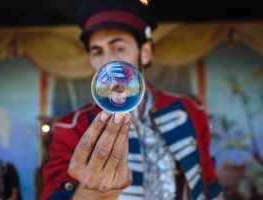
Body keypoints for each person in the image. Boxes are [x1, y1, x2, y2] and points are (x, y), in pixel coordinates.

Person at [42, 0, 224, 199]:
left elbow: (209, 184)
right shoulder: (71, 128)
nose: (107, 62)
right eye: (97, 52)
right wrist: (91, 194)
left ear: (145, 53)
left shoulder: (191, 110)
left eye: (118, 48)